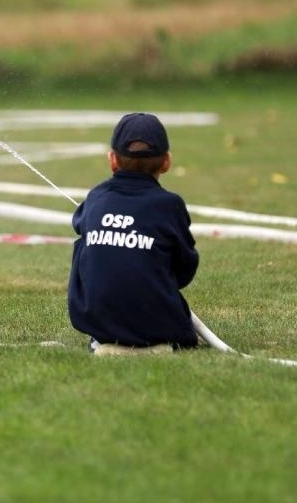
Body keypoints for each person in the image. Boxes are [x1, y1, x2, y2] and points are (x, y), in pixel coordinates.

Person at [68, 111, 199, 353]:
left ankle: (102, 335)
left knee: (82, 244)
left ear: (112, 160)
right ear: (167, 162)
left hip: (97, 323)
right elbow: (185, 269)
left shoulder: (96, 197)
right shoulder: (170, 204)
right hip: (159, 324)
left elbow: (79, 222)